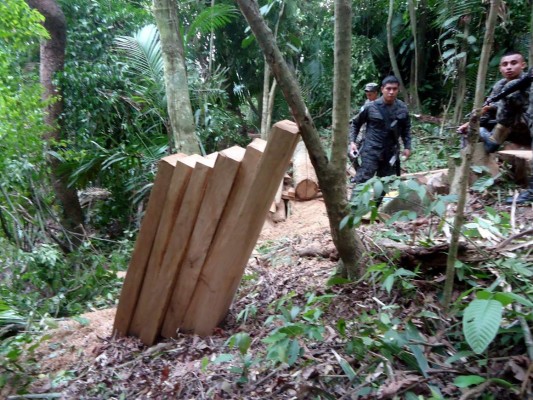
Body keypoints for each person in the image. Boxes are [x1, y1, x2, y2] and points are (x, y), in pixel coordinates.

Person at [349, 75, 412, 203]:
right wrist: (352, 142)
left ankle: (375, 209)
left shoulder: (402, 108)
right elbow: (355, 123)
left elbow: (406, 128)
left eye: (394, 89)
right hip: (371, 151)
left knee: (385, 182)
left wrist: (407, 146)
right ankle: (353, 210)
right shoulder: (371, 107)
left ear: (398, 90)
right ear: (382, 89)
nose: (391, 92)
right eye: (388, 88)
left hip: (390, 152)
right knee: (362, 181)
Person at [458, 51, 530, 153]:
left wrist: (491, 107)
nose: (509, 67)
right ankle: (469, 161)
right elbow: (486, 110)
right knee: (474, 129)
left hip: (526, 128)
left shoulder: (528, 82)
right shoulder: (499, 85)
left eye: (514, 63)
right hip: (510, 129)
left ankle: (493, 141)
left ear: (523, 65)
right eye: (505, 64)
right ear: (500, 68)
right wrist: (470, 124)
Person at [348, 82, 379, 178]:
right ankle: (359, 173)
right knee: (351, 152)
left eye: (370, 93)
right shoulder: (367, 103)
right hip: (362, 134)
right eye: (367, 93)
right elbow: (358, 120)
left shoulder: (381, 104)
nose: (368, 95)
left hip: (374, 137)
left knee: (368, 158)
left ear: (376, 93)